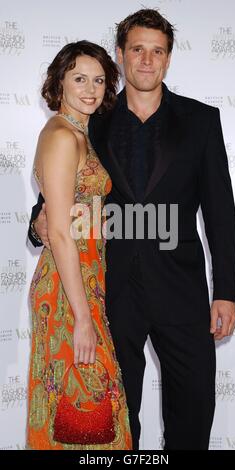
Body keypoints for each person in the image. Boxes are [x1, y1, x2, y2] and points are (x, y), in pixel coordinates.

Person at [28, 9, 235, 450]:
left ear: (168, 59)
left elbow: (221, 210)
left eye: (157, 51)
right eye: (137, 49)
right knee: (117, 418)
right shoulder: (94, 119)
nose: (147, 60)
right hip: (110, 289)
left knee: (194, 408)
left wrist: (227, 292)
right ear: (121, 56)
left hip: (181, 290)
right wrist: (39, 219)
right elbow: (66, 189)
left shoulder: (201, 121)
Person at [27, 40, 132, 450]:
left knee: (92, 418)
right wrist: (82, 318)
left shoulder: (80, 133)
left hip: (86, 286)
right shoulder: (61, 136)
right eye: (79, 79)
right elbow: (56, 232)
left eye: (100, 80)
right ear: (60, 83)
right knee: (84, 415)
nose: (91, 89)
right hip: (67, 294)